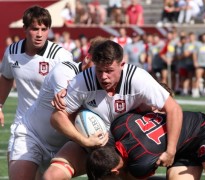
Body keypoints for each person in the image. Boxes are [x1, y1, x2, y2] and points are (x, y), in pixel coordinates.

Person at [43, 40, 183, 179]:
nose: (104, 77)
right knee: (52, 176)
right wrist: (83, 141)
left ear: (122, 65)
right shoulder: (82, 81)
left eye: (109, 71)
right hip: (90, 143)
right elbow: (57, 117)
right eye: (99, 71)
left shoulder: (138, 79)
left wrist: (171, 150)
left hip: (127, 148)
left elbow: (173, 109)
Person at [8, 37, 104, 180]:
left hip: (63, 146)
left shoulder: (104, 83)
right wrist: (86, 142)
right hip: (33, 136)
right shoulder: (65, 70)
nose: (101, 74)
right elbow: (63, 116)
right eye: (98, 67)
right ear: (87, 58)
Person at [0, 5, 72, 173]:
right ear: (25, 29)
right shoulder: (12, 52)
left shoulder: (61, 56)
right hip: (25, 129)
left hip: (56, 134)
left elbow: (73, 89)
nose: (39, 34)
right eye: (34, 29)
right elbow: (6, 77)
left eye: (44, 29)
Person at [86, 110, 205, 180]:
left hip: (201, 129)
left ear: (115, 171)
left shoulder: (140, 164)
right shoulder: (119, 125)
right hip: (179, 148)